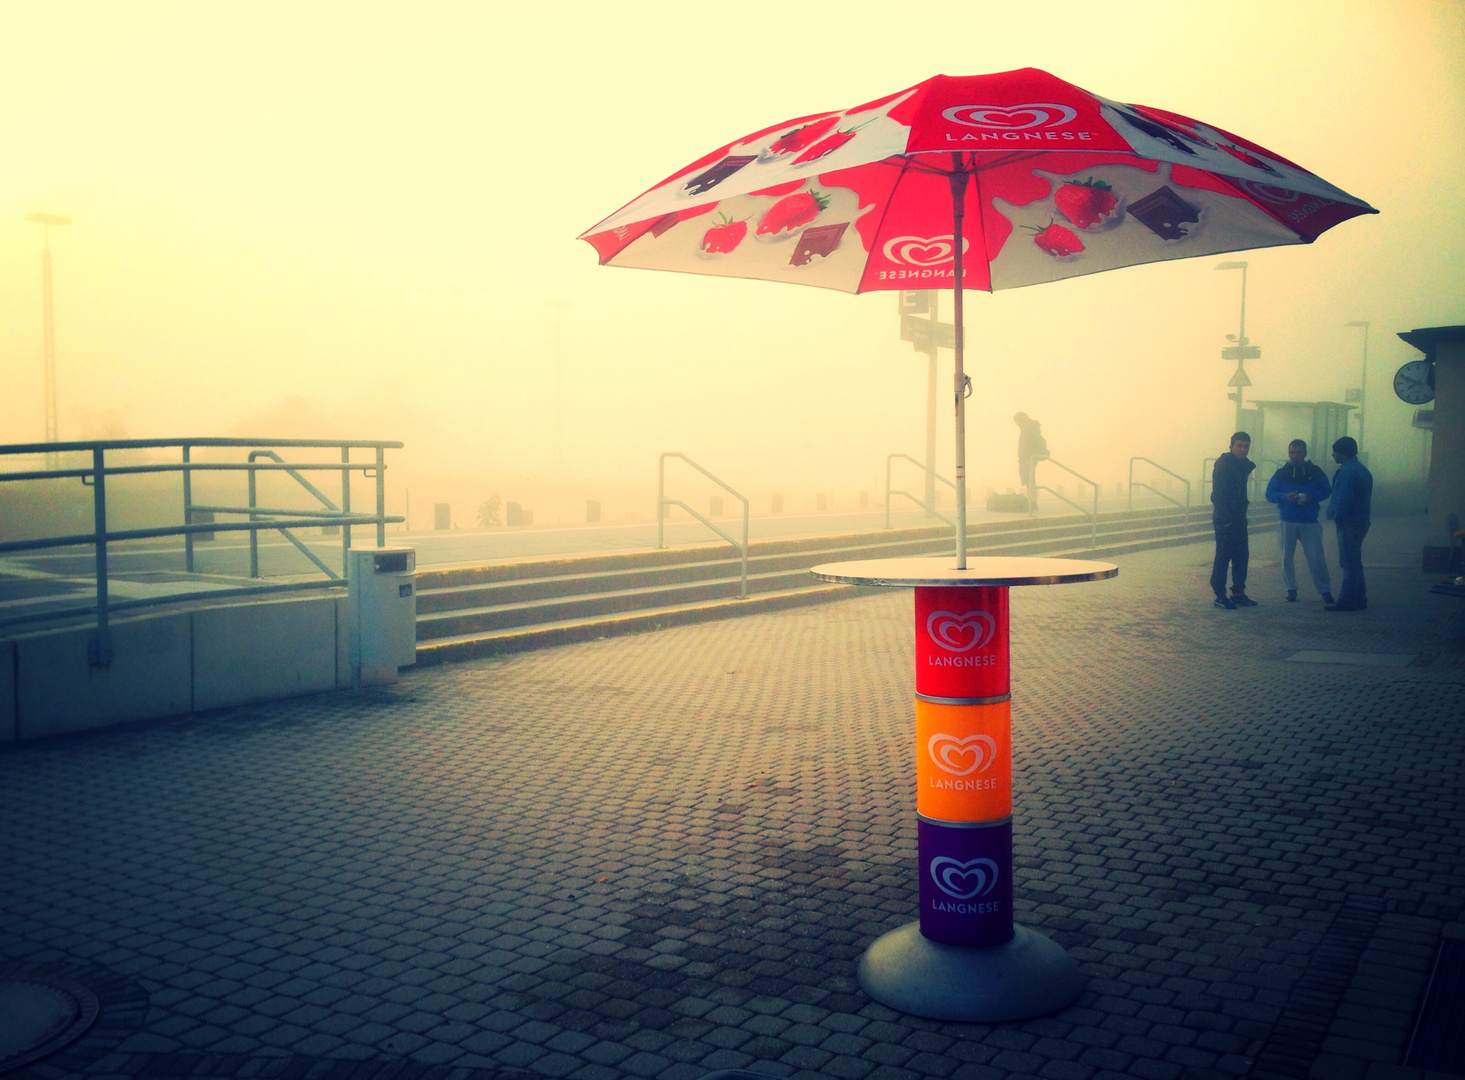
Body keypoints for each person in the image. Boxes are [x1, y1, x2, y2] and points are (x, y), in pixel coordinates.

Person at [1264, 439, 1336, 605]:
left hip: (1310, 522)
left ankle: (1325, 590)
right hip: (1287, 521)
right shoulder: (1281, 473)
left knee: (1316, 557)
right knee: (1286, 558)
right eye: (1291, 452)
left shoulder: (1315, 471)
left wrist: (1311, 497)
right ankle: (1291, 589)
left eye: (1297, 452)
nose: (1294, 456)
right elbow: (1269, 494)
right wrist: (1285, 496)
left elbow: (1326, 490)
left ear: (1305, 453)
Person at [1210, 432, 1257, 609]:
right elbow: (1218, 496)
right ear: (1231, 447)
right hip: (1225, 521)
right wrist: (1226, 520)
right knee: (1223, 557)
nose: (1243, 449)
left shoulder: (1241, 466)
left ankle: (1238, 593)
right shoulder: (1224, 466)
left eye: (1246, 446)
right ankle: (1220, 595)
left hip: (1238, 519)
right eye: (1240, 446)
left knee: (1241, 556)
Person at [1326, 435, 1373, 611]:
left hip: (1349, 523)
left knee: (1348, 562)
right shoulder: (1361, 470)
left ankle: (1346, 600)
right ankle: (1360, 598)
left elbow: (1344, 499)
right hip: (1361, 521)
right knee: (1355, 561)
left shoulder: (1347, 472)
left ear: (1342, 453)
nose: (1333, 455)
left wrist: (1336, 515)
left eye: (1335, 452)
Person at [1013, 412, 1048, 514]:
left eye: (1017, 422)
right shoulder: (1029, 427)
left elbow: (1028, 445)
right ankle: (1032, 504)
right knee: (1030, 481)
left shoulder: (1028, 429)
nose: (1017, 425)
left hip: (1029, 459)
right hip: (1028, 459)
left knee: (1030, 481)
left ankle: (1032, 504)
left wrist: (1027, 458)